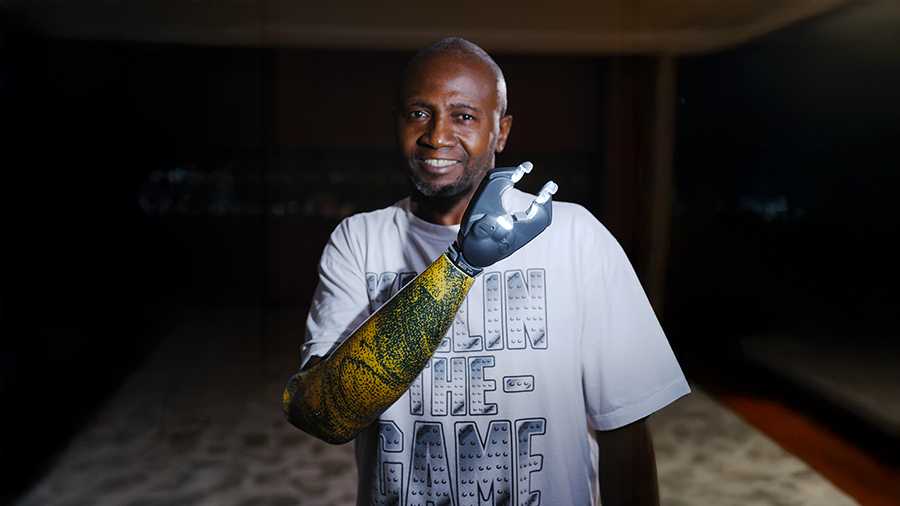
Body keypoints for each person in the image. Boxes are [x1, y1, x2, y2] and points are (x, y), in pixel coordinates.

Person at [284, 37, 690, 506]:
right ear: (396, 122)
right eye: (419, 113)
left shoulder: (575, 234)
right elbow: (324, 414)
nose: (437, 136)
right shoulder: (358, 240)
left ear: (501, 131)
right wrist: (461, 265)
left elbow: (625, 429)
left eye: (464, 115)